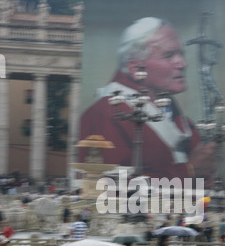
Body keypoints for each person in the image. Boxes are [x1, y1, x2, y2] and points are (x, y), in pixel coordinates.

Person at [80, 17, 216, 184]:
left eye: (181, 54)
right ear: (136, 68)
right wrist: (189, 170)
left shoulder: (182, 121)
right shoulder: (103, 115)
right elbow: (105, 185)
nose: (183, 63)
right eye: (169, 55)